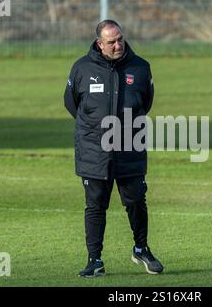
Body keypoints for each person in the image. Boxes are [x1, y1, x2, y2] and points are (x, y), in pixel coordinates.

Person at [64, 20, 163, 277]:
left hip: (129, 147)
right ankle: (94, 260)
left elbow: (146, 103)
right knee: (95, 206)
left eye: (120, 39)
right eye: (111, 42)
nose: (118, 45)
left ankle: (141, 249)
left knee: (135, 202)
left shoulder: (141, 68)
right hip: (93, 151)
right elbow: (71, 103)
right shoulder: (81, 68)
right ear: (100, 43)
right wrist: (96, 129)